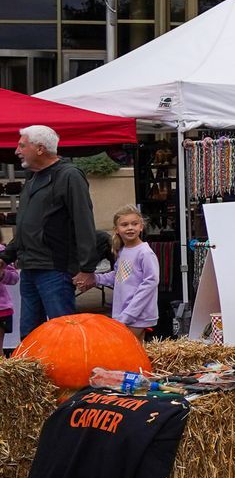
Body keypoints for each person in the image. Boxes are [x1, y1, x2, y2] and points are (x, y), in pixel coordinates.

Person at [2, 125, 97, 338]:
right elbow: (27, 227)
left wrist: (87, 267)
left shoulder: (69, 175)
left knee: (63, 332)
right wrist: (6, 257)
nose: (17, 151)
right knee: (29, 335)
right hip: (30, 268)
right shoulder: (32, 178)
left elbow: (84, 221)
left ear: (40, 149)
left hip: (55, 270)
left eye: (22, 145)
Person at [84, 207, 160, 340]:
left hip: (137, 315)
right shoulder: (123, 251)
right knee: (135, 349)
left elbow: (150, 283)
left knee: (126, 347)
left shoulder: (145, 253)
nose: (130, 228)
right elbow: (118, 275)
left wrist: (129, 314)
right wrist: (95, 279)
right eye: (124, 225)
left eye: (134, 224)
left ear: (141, 227)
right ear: (116, 229)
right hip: (124, 313)